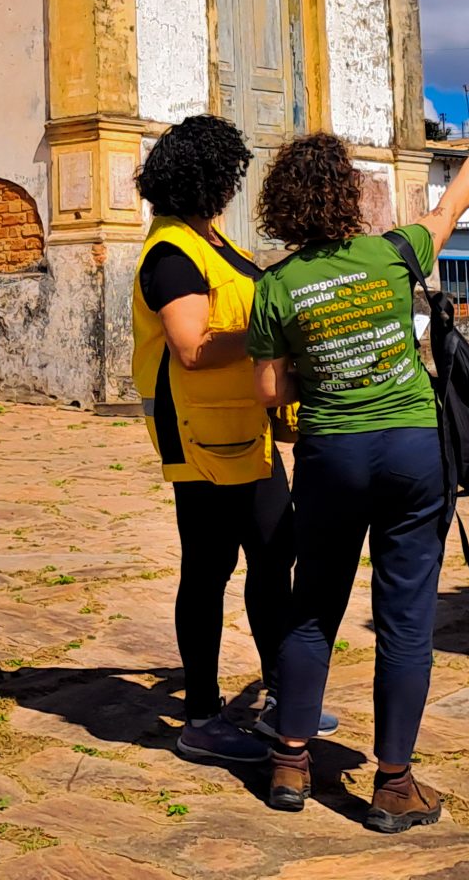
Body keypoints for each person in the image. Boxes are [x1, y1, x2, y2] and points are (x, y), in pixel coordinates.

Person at [249, 121, 469, 826]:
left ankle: (290, 762)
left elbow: (269, 392)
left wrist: (317, 366)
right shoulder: (395, 252)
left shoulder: (276, 286)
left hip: (331, 456)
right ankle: (394, 784)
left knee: (313, 606)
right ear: (348, 195)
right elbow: (450, 209)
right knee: (405, 620)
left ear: (282, 206)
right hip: (412, 454)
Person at [131, 114, 303, 767]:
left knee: (273, 556)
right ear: (206, 179)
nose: (235, 185)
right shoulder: (172, 255)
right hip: (200, 438)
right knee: (207, 571)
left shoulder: (211, 239)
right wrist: (275, 333)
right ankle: (201, 716)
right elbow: (192, 346)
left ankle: (285, 696)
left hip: (242, 431)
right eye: (229, 173)